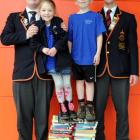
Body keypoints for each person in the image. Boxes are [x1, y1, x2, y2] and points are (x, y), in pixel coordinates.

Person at [1, 0, 54, 139]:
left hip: (44, 74)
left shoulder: (48, 16)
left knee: (42, 120)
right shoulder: (14, 17)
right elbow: (4, 39)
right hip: (22, 75)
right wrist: (26, 35)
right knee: (23, 120)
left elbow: (60, 39)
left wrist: (61, 29)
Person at [95, 0, 139, 139]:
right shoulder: (94, 17)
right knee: (97, 109)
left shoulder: (128, 18)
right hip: (98, 69)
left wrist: (134, 71)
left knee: (122, 110)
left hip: (121, 70)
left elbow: (132, 46)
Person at [38, 0, 77, 121]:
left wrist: (56, 48)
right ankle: (62, 106)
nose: (46, 13)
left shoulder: (58, 21)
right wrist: (43, 49)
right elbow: (34, 43)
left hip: (62, 61)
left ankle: (70, 105)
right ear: (39, 12)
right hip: (50, 63)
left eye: (49, 10)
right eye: (44, 10)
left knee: (67, 84)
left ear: (54, 11)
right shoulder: (37, 25)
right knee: (59, 84)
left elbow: (64, 37)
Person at [68, 0, 106, 121]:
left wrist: (98, 53)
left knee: (89, 83)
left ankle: (90, 107)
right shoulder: (72, 18)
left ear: (90, 1)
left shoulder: (96, 16)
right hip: (76, 57)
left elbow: (99, 36)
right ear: (75, 2)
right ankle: (81, 106)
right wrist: (69, 56)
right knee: (79, 82)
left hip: (90, 58)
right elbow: (70, 39)